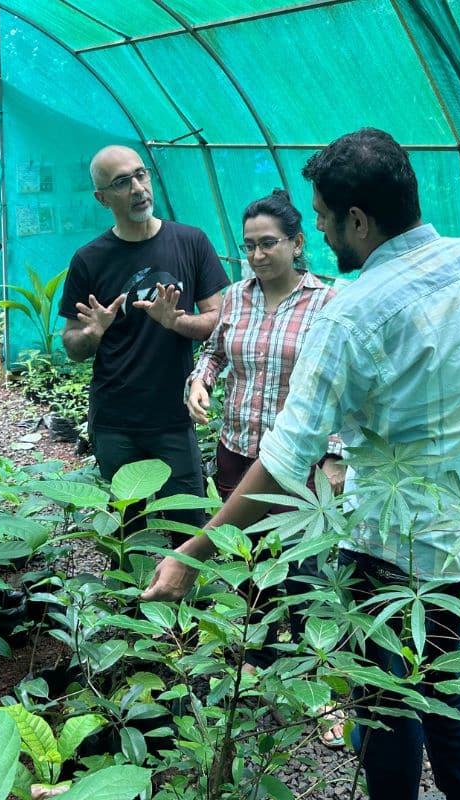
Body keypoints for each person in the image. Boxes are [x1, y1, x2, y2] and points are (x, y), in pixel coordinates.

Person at [142, 128, 460, 800]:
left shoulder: (349, 313)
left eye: (321, 216)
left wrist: (193, 554)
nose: (317, 229)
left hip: (393, 551)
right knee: (447, 696)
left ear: (358, 218)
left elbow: (287, 460)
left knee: (384, 716)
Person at [186, 189, 344, 739]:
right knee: (245, 563)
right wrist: (200, 382)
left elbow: (345, 384)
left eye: (268, 243)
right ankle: (248, 663)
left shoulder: (329, 302)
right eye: (249, 245)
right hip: (235, 451)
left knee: (306, 574)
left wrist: (337, 455)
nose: (257, 255)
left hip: (298, 464)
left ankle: (317, 689)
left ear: (298, 242)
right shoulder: (235, 297)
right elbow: (216, 352)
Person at [59, 145, 230, 539]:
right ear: (102, 199)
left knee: (187, 528)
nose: (138, 188)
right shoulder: (89, 259)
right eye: (122, 182)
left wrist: (176, 320)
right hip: (115, 421)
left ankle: (189, 600)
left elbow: (217, 322)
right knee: (128, 530)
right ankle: (135, 601)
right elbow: (72, 345)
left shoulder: (191, 242)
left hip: (172, 417)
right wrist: (92, 333)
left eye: (141, 174)